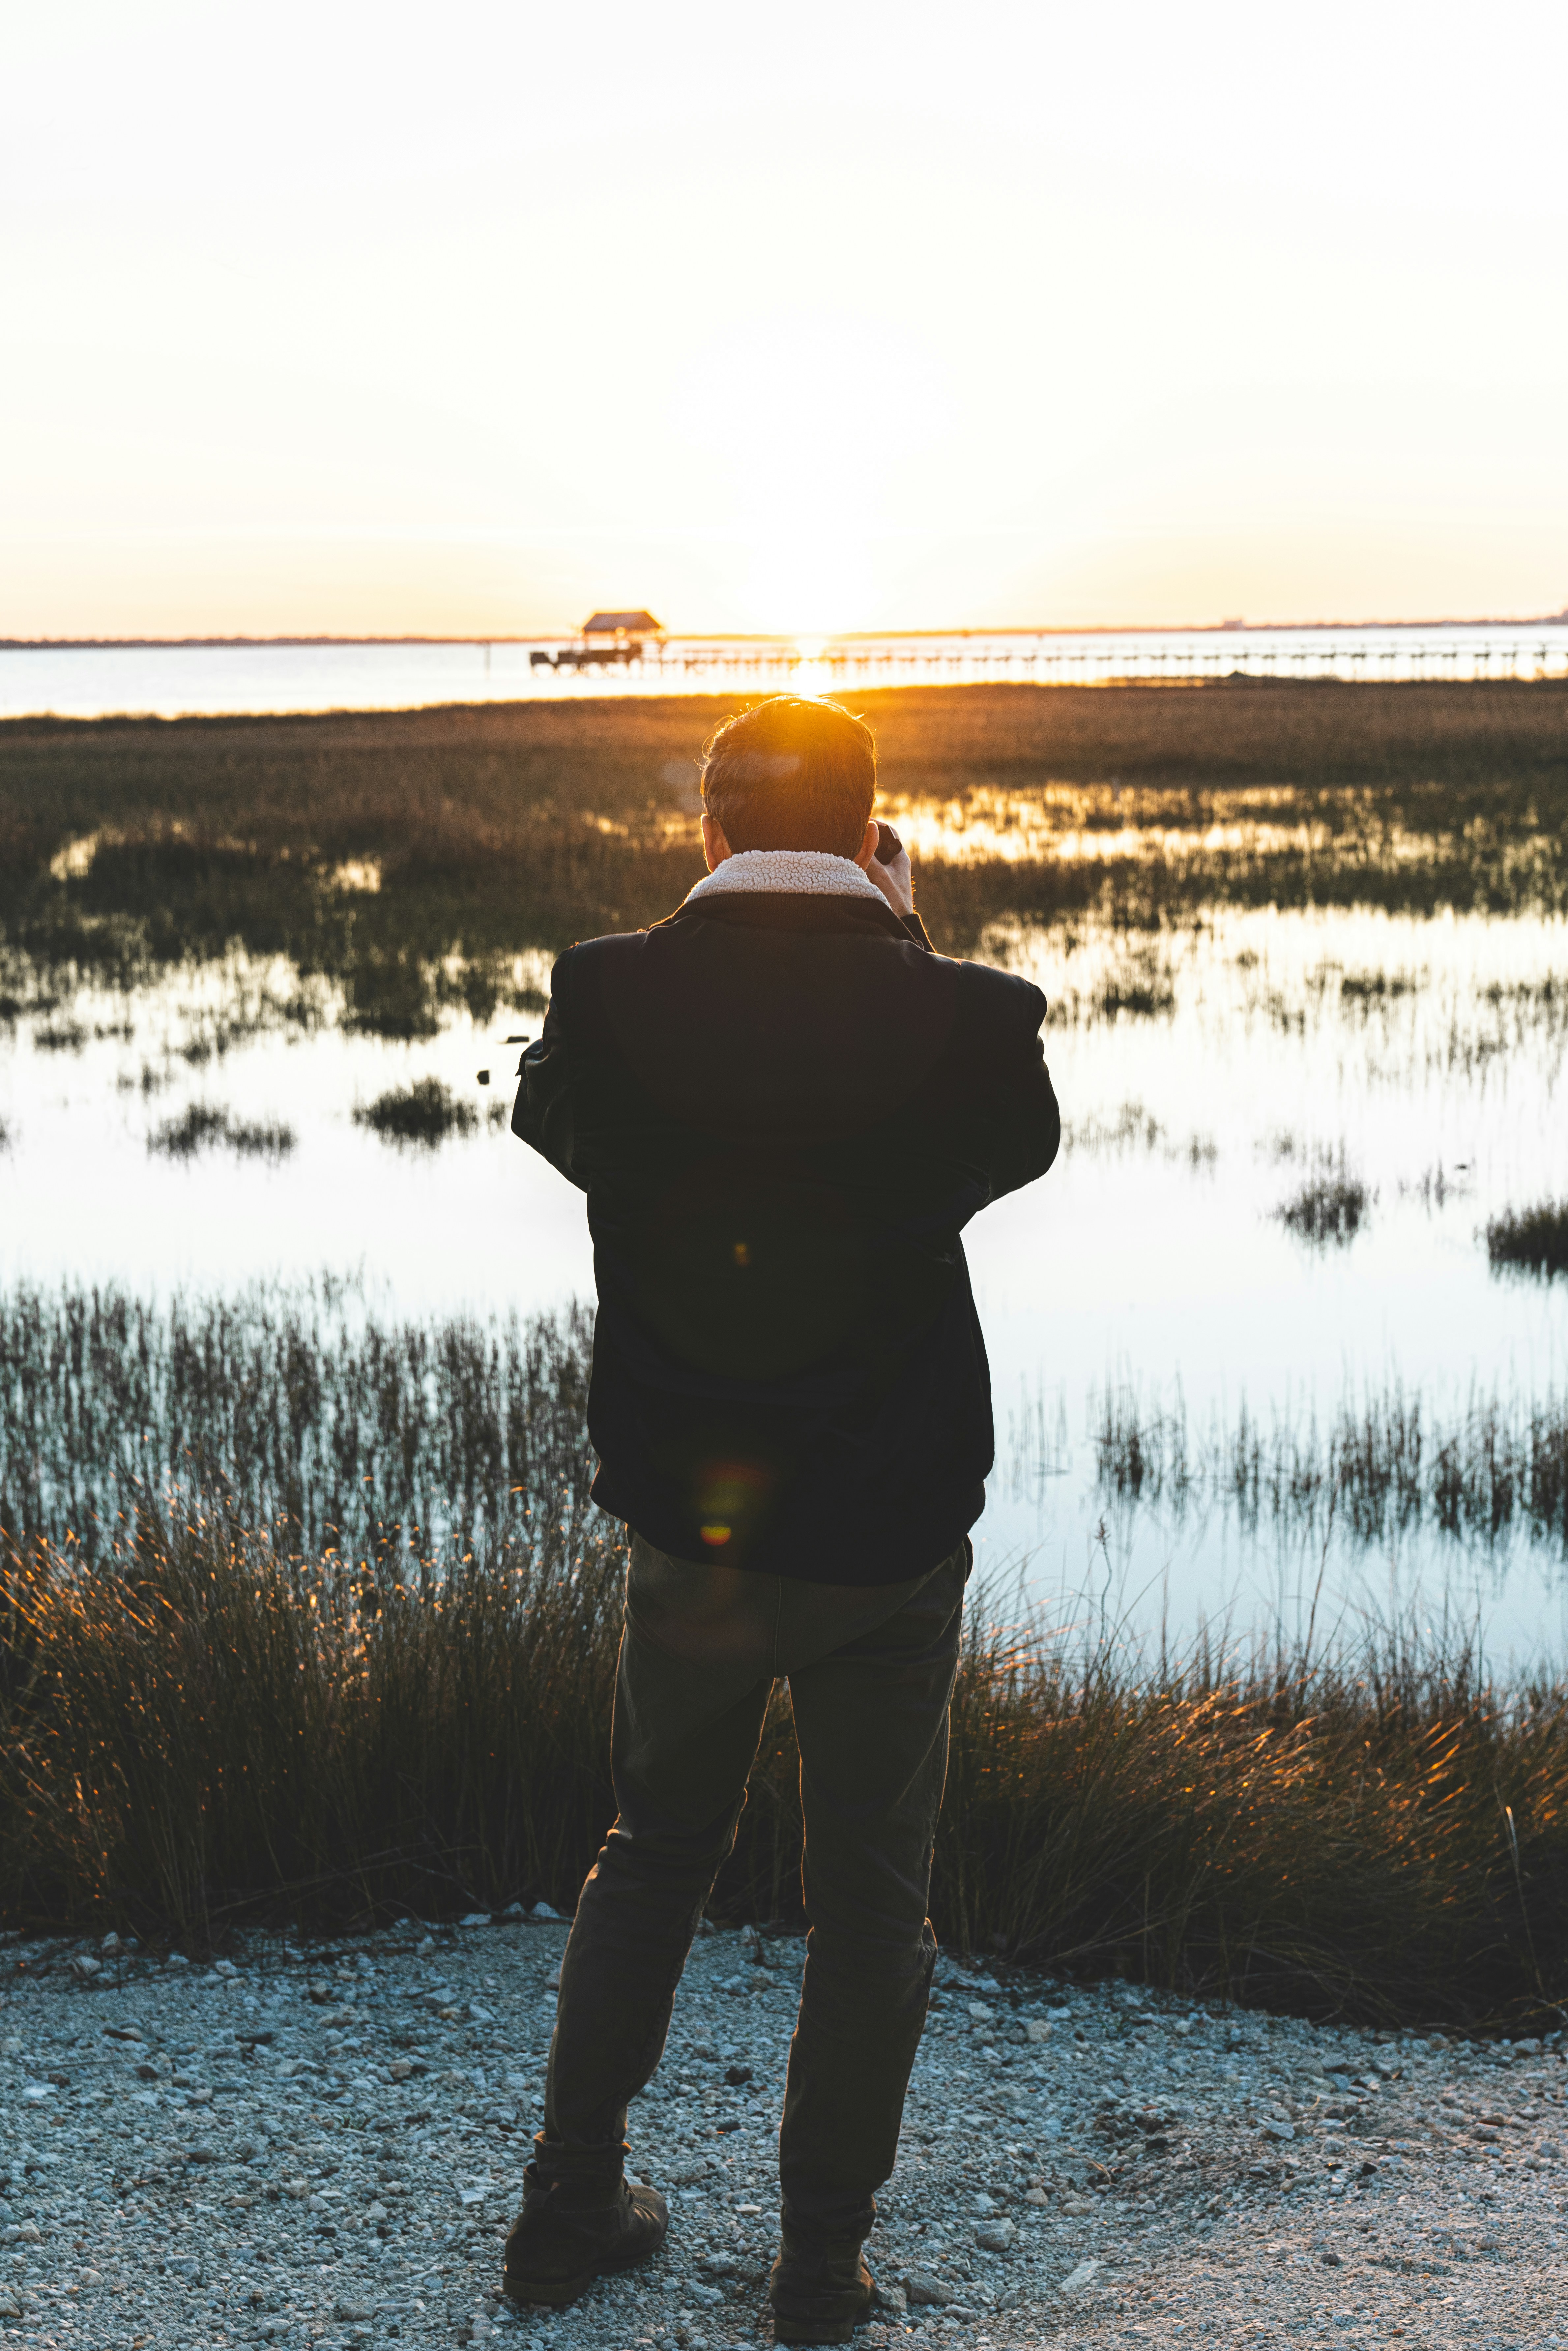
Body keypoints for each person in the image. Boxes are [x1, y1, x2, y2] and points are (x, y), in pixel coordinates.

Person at [505, 694, 1060, 2343]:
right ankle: (819, 2265)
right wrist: (910, 936)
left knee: (653, 1849)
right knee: (871, 1898)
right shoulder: (971, 1014)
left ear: (708, 825)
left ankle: (565, 2205)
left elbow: (553, 1119)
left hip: (692, 1526)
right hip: (888, 1536)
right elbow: (1008, 1149)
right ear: (874, 823)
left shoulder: (606, 990)